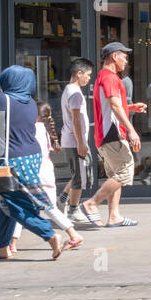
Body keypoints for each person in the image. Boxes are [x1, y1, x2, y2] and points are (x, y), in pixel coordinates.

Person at [0, 66, 80, 261]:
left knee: (15, 204)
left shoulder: (2, 100)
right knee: (3, 201)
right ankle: (3, 246)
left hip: (8, 160)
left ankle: (49, 235)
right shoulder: (30, 103)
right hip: (31, 157)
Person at [81, 42, 146, 227]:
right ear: (114, 56)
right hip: (113, 134)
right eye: (124, 56)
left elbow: (112, 105)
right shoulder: (109, 77)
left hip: (105, 134)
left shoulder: (104, 77)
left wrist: (131, 107)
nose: (126, 61)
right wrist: (132, 130)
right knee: (125, 170)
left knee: (116, 175)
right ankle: (92, 203)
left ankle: (114, 216)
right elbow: (114, 105)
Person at [10, 102, 82, 253]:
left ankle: (12, 243)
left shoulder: (31, 130)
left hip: (33, 173)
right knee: (50, 209)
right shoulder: (46, 130)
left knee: (19, 208)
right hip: (47, 172)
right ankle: (73, 234)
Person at [59, 58, 96, 224]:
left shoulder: (69, 89)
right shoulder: (75, 93)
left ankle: (62, 199)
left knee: (77, 174)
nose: (89, 79)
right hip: (74, 141)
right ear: (79, 73)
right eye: (87, 75)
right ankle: (73, 209)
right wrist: (81, 143)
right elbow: (75, 120)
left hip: (71, 139)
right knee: (79, 178)